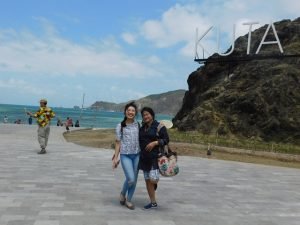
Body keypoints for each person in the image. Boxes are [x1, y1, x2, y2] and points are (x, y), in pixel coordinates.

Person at [139, 107, 169, 210]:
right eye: (143, 115)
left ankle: (154, 185)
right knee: (148, 181)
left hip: (155, 158)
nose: (145, 116)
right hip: (144, 159)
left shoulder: (159, 126)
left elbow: (166, 140)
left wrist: (155, 142)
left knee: (154, 180)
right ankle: (153, 203)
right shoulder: (142, 128)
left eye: (147, 114)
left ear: (152, 115)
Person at [112, 102, 140, 210]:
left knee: (134, 179)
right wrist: (115, 158)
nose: (131, 112)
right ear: (125, 112)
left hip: (137, 155)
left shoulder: (138, 124)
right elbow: (118, 143)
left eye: (133, 111)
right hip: (125, 155)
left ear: (135, 113)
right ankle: (123, 193)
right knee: (131, 178)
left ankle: (128, 200)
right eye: (129, 110)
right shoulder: (120, 126)